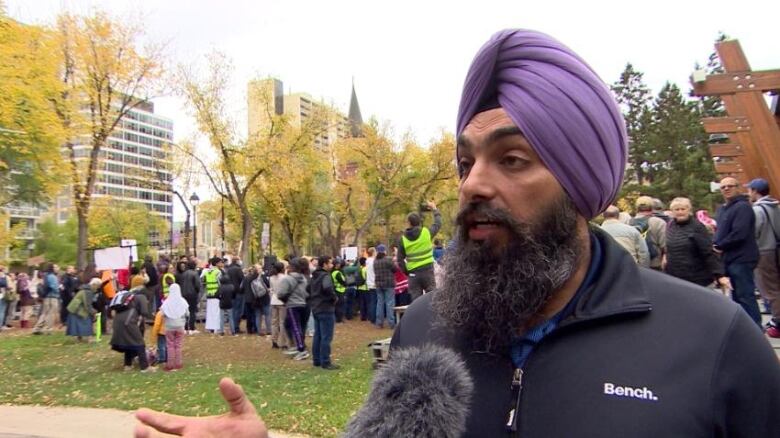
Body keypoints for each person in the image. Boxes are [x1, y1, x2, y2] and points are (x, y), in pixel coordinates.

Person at [135, 29, 780, 438]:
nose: (472, 184)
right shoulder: (424, 330)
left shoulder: (714, 345)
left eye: (513, 159)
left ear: (586, 186)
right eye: (465, 162)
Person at [714, 176, 762, 327]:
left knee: (745, 295)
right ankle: (744, 329)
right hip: (729, 258)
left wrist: (720, 245)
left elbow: (739, 233)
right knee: (736, 296)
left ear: (738, 187)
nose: (726, 189)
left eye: (730, 186)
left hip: (741, 258)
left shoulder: (743, 207)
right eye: (723, 187)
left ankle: (755, 330)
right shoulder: (723, 209)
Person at [663, 197, 727, 288]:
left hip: (697, 278)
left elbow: (708, 252)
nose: (680, 212)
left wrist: (720, 275)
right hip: (675, 277)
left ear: (689, 210)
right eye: (677, 209)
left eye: (683, 209)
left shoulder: (697, 227)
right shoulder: (671, 225)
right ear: (672, 211)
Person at [746, 177, 780, 336]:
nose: (748, 193)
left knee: (770, 289)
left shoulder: (757, 210)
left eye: (749, 190)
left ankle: (778, 321)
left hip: (765, 252)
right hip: (777, 249)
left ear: (755, 191)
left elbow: (754, 233)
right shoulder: (776, 206)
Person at [397, 201, 442, 301]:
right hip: (428, 271)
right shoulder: (426, 233)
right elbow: (438, 223)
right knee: (433, 300)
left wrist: (407, 272)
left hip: (413, 274)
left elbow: (399, 260)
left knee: (416, 303)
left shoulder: (402, 239)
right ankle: (432, 317)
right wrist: (434, 209)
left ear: (409, 223)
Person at [110, 283, 155, 372]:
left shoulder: (129, 298)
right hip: (129, 321)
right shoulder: (142, 297)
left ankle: (128, 365)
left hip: (118, 320)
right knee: (139, 342)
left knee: (128, 342)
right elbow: (144, 312)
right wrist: (153, 317)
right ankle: (145, 367)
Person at [308, 255, 339, 369]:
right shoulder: (325, 276)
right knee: (326, 336)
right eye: (330, 263)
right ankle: (325, 361)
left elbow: (308, 289)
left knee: (318, 335)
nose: (332, 265)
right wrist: (334, 297)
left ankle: (317, 360)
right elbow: (327, 288)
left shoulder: (314, 276)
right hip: (325, 308)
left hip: (316, 308)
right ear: (324, 264)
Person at [275, 257, 309, 361]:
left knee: (295, 327)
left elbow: (280, 293)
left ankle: (301, 349)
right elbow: (306, 292)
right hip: (302, 303)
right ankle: (297, 345)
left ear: (291, 267)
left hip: (292, 305)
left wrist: (284, 298)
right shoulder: (303, 278)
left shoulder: (287, 279)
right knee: (288, 324)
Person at [630, 196, 666, 270]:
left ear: (637, 207)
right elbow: (665, 245)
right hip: (655, 263)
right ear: (652, 207)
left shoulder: (628, 222)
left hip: (635, 264)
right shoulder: (658, 222)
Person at [161, 283, 189, 371]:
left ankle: (170, 364)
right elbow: (187, 313)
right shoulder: (183, 301)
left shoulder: (167, 302)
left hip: (169, 326)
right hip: (180, 326)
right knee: (178, 345)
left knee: (170, 345)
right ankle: (178, 363)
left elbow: (162, 313)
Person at [65, 276, 100, 342]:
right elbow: (87, 305)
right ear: (94, 285)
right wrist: (94, 312)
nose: (98, 288)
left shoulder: (86, 289)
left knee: (79, 321)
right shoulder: (88, 291)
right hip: (77, 308)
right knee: (87, 320)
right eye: (98, 286)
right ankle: (89, 338)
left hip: (75, 308)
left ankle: (79, 337)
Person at [373, 244, 397, 329]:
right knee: (389, 303)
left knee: (379, 303)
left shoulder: (375, 261)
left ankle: (379, 323)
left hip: (379, 284)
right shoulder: (388, 260)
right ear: (384, 251)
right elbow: (395, 269)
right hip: (389, 284)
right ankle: (391, 323)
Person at [32, 263, 61, 335]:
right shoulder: (53, 276)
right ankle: (48, 329)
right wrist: (59, 289)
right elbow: (54, 287)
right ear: (52, 268)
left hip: (46, 296)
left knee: (44, 313)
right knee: (51, 313)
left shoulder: (46, 275)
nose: (57, 268)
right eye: (55, 267)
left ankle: (37, 328)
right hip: (52, 297)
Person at [268, 262, 289, 350]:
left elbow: (271, 289)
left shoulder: (271, 278)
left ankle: (274, 341)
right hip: (282, 301)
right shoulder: (285, 278)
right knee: (282, 322)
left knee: (274, 322)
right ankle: (283, 342)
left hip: (274, 300)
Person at [202, 257, 224, 334]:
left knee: (210, 312)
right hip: (216, 293)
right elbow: (220, 283)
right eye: (220, 262)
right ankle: (216, 328)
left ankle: (210, 327)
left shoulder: (207, 271)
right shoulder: (218, 272)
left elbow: (203, 281)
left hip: (209, 293)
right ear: (217, 263)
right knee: (216, 311)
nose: (222, 264)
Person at [179, 260, 201, 334]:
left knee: (185, 311)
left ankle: (185, 328)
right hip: (192, 294)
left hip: (184, 294)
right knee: (192, 311)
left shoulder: (183, 274)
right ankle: (192, 328)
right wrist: (197, 292)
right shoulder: (195, 274)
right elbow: (198, 285)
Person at [227, 257, 245, 334]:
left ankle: (233, 327)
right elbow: (242, 279)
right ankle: (236, 327)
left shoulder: (228, 269)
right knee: (238, 310)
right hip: (238, 291)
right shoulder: (238, 269)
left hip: (230, 291)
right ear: (237, 261)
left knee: (233, 309)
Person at [330, 258, 347, 323]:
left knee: (338, 305)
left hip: (338, 289)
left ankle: (338, 318)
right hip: (339, 290)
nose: (339, 265)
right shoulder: (337, 273)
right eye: (338, 263)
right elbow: (343, 281)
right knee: (340, 305)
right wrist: (345, 284)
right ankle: (339, 318)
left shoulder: (334, 272)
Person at [364, 248, 377, 324]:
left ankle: (371, 317)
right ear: (373, 252)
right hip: (374, 283)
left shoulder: (367, 261)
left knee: (371, 301)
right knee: (374, 302)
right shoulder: (373, 262)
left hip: (369, 283)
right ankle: (373, 318)